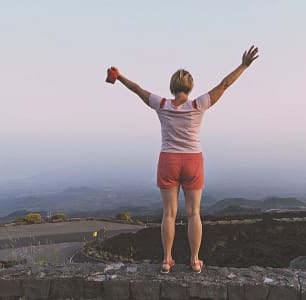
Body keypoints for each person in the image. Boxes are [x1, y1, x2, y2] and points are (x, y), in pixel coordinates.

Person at [106, 45, 259, 273]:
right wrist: (244, 65)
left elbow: (138, 89)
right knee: (193, 213)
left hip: (168, 160)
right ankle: (195, 261)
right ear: (190, 87)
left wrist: (119, 77)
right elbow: (224, 85)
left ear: (172, 86)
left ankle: (167, 260)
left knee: (169, 213)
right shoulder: (199, 105)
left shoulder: (162, 104)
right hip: (193, 161)